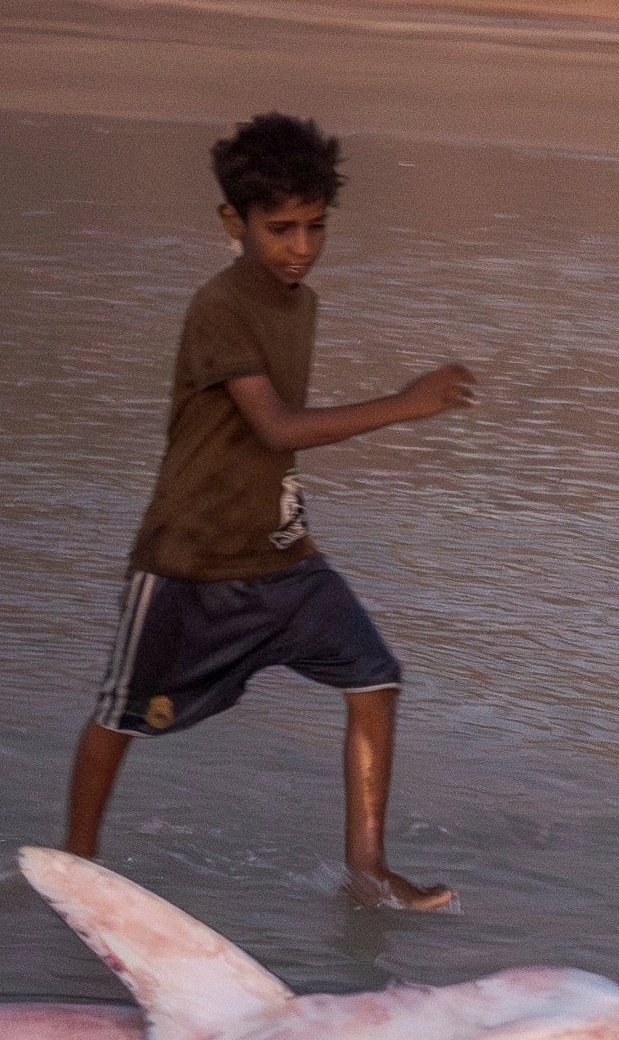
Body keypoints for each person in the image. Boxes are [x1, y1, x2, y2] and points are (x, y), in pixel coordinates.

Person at [63, 112, 475, 906]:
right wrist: (403, 403)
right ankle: (74, 866)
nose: (301, 247)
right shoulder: (220, 305)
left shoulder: (300, 302)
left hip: (279, 554)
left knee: (375, 678)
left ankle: (368, 873)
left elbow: (272, 445)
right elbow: (276, 424)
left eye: (315, 226)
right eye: (280, 228)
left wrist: (293, 512)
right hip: (191, 556)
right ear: (233, 221)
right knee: (122, 711)